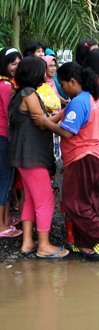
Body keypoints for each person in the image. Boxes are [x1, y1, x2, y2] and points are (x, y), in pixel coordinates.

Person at [31, 61, 99, 257]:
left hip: (82, 158)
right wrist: (47, 122)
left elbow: (67, 132)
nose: (62, 89)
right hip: (93, 156)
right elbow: (63, 115)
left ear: (72, 81)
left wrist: (46, 121)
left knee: (74, 203)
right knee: (86, 202)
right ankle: (84, 243)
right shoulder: (89, 98)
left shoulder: (79, 101)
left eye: (62, 85)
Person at [9, 56, 68, 258]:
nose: (45, 74)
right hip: (32, 156)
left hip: (23, 156)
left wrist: (59, 114)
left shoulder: (17, 93)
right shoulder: (29, 93)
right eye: (42, 70)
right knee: (45, 199)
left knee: (30, 200)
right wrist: (63, 114)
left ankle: (27, 242)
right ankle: (44, 246)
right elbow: (42, 122)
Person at [0, 47, 23, 238]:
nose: (16, 66)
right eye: (12, 63)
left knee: (6, 180)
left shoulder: (7, 83)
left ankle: (6, 219)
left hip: (5, 135)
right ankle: (1, 225)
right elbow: (11, 113)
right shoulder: (5, 86)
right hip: (3, 136)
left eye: (18, 62)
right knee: (5, 180)